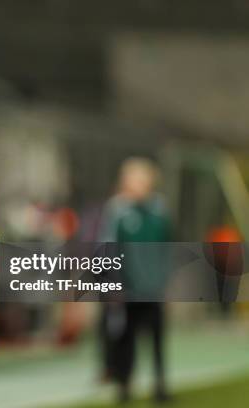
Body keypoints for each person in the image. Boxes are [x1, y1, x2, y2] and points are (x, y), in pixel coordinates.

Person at [99, 157, 171, 403]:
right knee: (124, 338)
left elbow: (167, 246)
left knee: (157, 338)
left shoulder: (159, 209)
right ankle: (124, 384)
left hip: (154, 287)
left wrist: (165, 278)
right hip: (127, 288)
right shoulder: (117, 210)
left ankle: (161, 384)